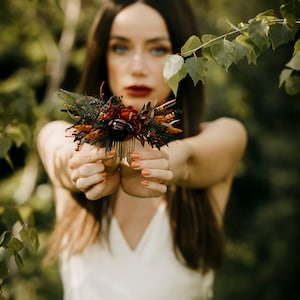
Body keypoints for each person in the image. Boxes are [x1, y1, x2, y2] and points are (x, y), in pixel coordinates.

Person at [37, 0, 247, 299]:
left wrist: (169, 162)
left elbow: (196, 159)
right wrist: (86, 166)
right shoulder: (64, 140)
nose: (137, 67)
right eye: (121, 48)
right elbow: (61, 155)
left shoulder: (221, 138)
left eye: (158, 49)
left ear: (184, 59)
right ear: (103, 57)